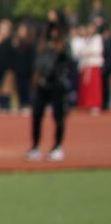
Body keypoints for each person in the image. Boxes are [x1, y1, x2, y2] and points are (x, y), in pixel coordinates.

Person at [27, 21, 76, 161]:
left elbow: (69, 61)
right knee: (37, 115)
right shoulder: (43, 45)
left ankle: (57, 147)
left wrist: (62, 50)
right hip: (42, 84)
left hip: (57, 85)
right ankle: (35, 147)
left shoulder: (64, 45)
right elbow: (37, 63)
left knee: (58, 116)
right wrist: (36, 77)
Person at [71, 21, 103, 114]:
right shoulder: (86, 39)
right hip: (85, 65)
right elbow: (79, 51)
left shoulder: (97, 38)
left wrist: (86, 52)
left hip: (93, 64)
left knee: (94, 87)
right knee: (86, 87)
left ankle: (95, 104)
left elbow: (96, 50)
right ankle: (86, 104)